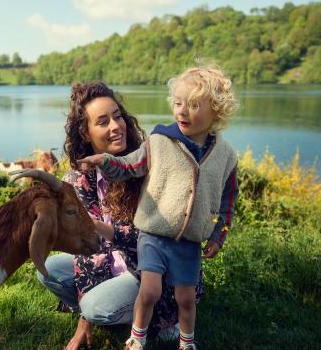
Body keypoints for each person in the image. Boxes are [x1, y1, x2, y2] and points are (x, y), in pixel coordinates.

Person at [78, 66, 239, 350]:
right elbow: (129, 166)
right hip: (152, 235)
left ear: (216, 110)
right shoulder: (158, 142)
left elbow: (228, 204)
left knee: (186, 300)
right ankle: (137, 339)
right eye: (178, 103)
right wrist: (104, 160)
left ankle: (186, 342)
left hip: (189, 242)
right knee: (149, 290)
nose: (182, 111)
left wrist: (218, 236)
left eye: (193, 105)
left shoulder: (226, 157)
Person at [37, 81, 204, 350]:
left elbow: (160, 235)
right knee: (47, 270)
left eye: (117, 116)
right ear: (86, 134)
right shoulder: (80, 178)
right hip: (112, 261)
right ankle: (116, 311)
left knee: (95, 307)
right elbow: (87, 249)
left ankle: (161, 319)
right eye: (103, 122)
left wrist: (101, 229)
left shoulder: (146, 163)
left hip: (154, 267)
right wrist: (84, 320)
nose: (116, 126)